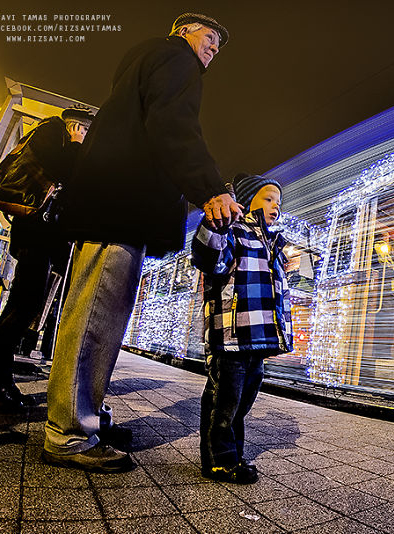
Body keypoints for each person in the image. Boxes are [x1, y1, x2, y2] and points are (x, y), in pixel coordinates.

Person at [42, 13, 241, 473]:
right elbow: (173, 125)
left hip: (111, 202)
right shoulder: (175, 59)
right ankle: (71, 432)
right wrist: (210, 185)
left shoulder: (144, 61)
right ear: (182, 31)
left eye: (217, 45)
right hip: (122, 206)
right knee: (96, 317)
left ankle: (80, 415)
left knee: (89, 313)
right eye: (209, 37)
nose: (213, 49)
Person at [0, 106, 94, 412]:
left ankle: (1, 381)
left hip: (41, 241)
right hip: (34, 239)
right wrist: (78, 146)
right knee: (21, 308)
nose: (87, 134)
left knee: (24, 309)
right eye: (84, 128)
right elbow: (68, 172)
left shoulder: (56, 141)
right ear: (75, 125)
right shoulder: (50, 135)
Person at [191, 174, 292, 484]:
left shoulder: (273, 243)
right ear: (247, 202)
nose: (275, 205)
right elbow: (209, 260)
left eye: (278, 201)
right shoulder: (234, 232)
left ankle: (232, 452)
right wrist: (215, 225)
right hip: (232, 333)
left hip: (258, 336)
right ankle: (218, 460)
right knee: (226, 398)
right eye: (267, 198)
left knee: (243, 398)